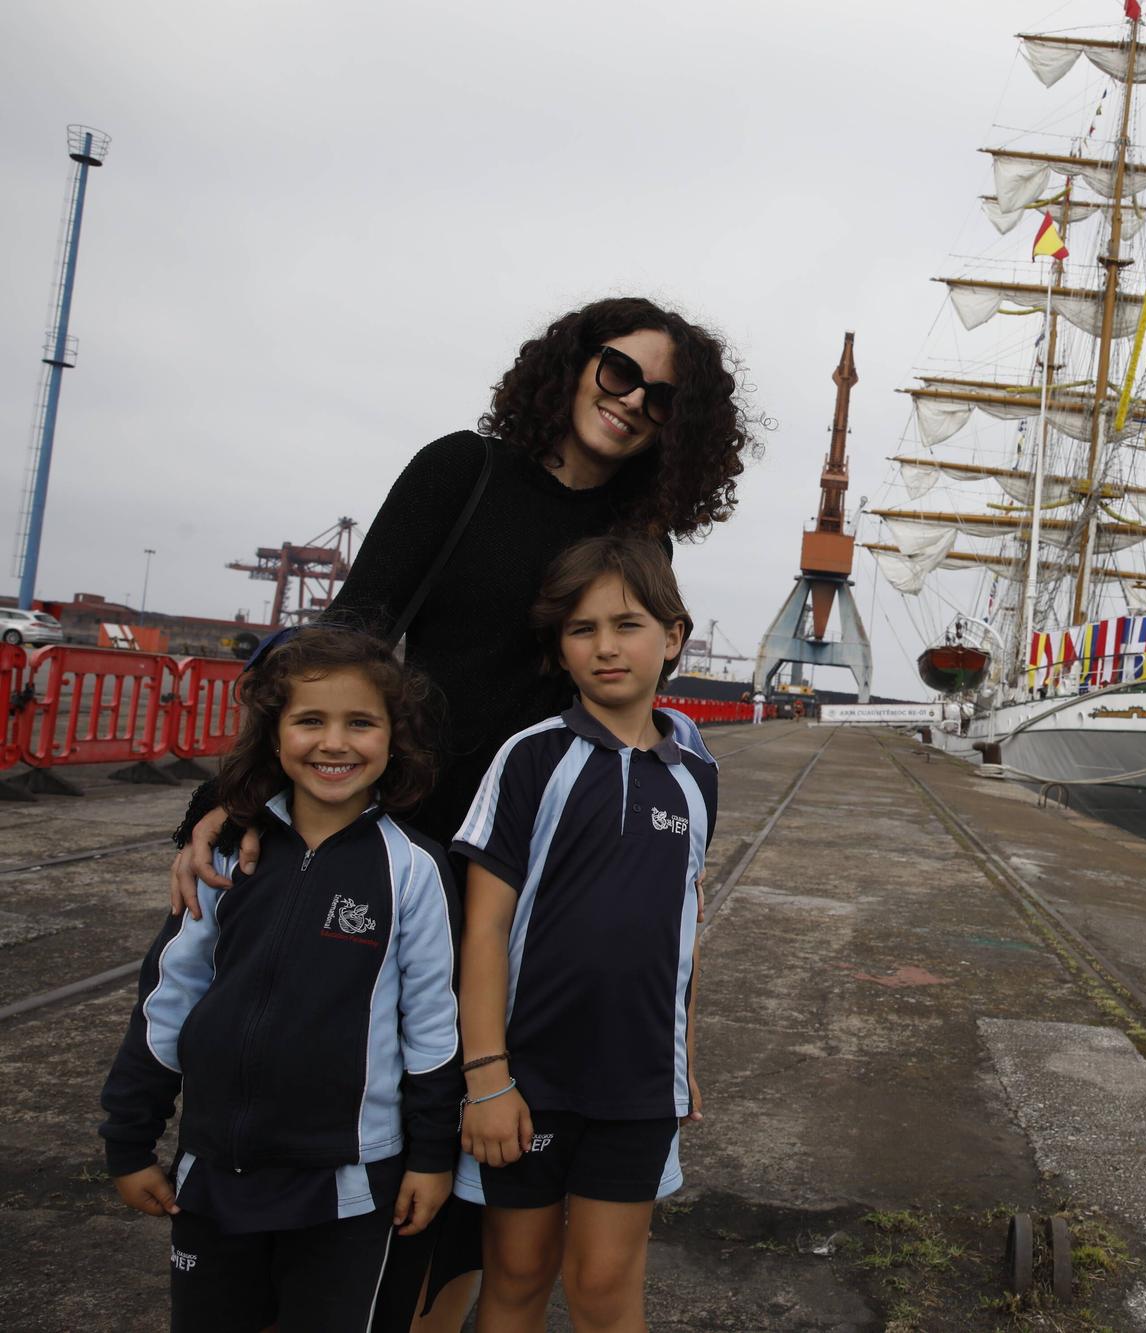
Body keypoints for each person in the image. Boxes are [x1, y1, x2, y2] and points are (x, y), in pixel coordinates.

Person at [166, 295, 759, 1328]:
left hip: (526, 866)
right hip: (405, 841)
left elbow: (623, 700)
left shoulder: (634, 530)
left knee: (477, 1207)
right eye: (618, 372)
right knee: (387, 1133)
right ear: (574, 363)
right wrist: (239, 790)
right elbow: (355, 627)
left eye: (662, 399)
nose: (631, 403)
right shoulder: (463, 470)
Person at [100, 627, 459, 1333]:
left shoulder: (415, 868)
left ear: (395, 737)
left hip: (349, 1188)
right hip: (214, 1175)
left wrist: (432, 1156)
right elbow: (165, 1002)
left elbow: (431, 1029)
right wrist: (129, 1138)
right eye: (309, 721)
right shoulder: (227, 855)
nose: (335, 742)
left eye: (361, 722)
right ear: (273, 735)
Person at [453, 537, 713, 1333]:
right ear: (559, 650)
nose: (605, 645)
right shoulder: (532, 759)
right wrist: (487, 1077)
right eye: (580, 628)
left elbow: (684, 923)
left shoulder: (695, 769)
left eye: (627, 623)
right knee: (519, 1272)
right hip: (527, 1077)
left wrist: (685, 1060)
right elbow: (486, 926)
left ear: (672, 637)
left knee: (604, 1283)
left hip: (637, 1080)